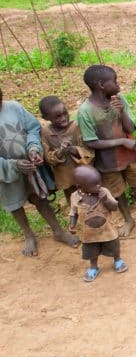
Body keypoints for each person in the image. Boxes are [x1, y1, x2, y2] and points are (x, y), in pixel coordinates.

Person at [77, 65, 136, 236]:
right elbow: (91, 142)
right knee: (118, 192)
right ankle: (128, 220)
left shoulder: (119, 100)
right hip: (107, 161)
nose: (118, 84)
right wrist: (122, 141)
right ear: (101, 84)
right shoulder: (85, 111)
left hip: (130, 155)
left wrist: (122, 112)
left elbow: (130, 127)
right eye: (114, 81)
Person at [0, 87, 79, 256]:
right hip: (4, 173)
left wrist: (34, 148)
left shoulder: (13, 107)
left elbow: (33, 128)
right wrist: (12, 165)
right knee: (15, 203)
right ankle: (28, 235)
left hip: (30, 165)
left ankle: (57, 231)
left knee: (40, 197)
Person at [69, 165, 125, 282]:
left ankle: (117, 260)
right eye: (94, 185)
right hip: (89, 234)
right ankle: (94, 267)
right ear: (80, 187)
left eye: (99, 182)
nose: (98, 186)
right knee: (91, 251)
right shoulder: (75, 197)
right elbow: (73, 212)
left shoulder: (104, 192)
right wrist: (72, 224)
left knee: (113, 246)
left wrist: (105, 200)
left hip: (107, 230)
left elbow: (114, 207)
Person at [38, 95, 94, 207]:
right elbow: (47, 158)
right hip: (66, 177)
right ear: (46, 117)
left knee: (92, 198)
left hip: (85, 175)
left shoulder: (76, 127)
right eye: (58, 116)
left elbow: (90, 151)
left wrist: (75, 150)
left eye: (65, 113)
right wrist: (60, 152)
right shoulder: (46, 133)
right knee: (73, 201)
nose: (63, 118)